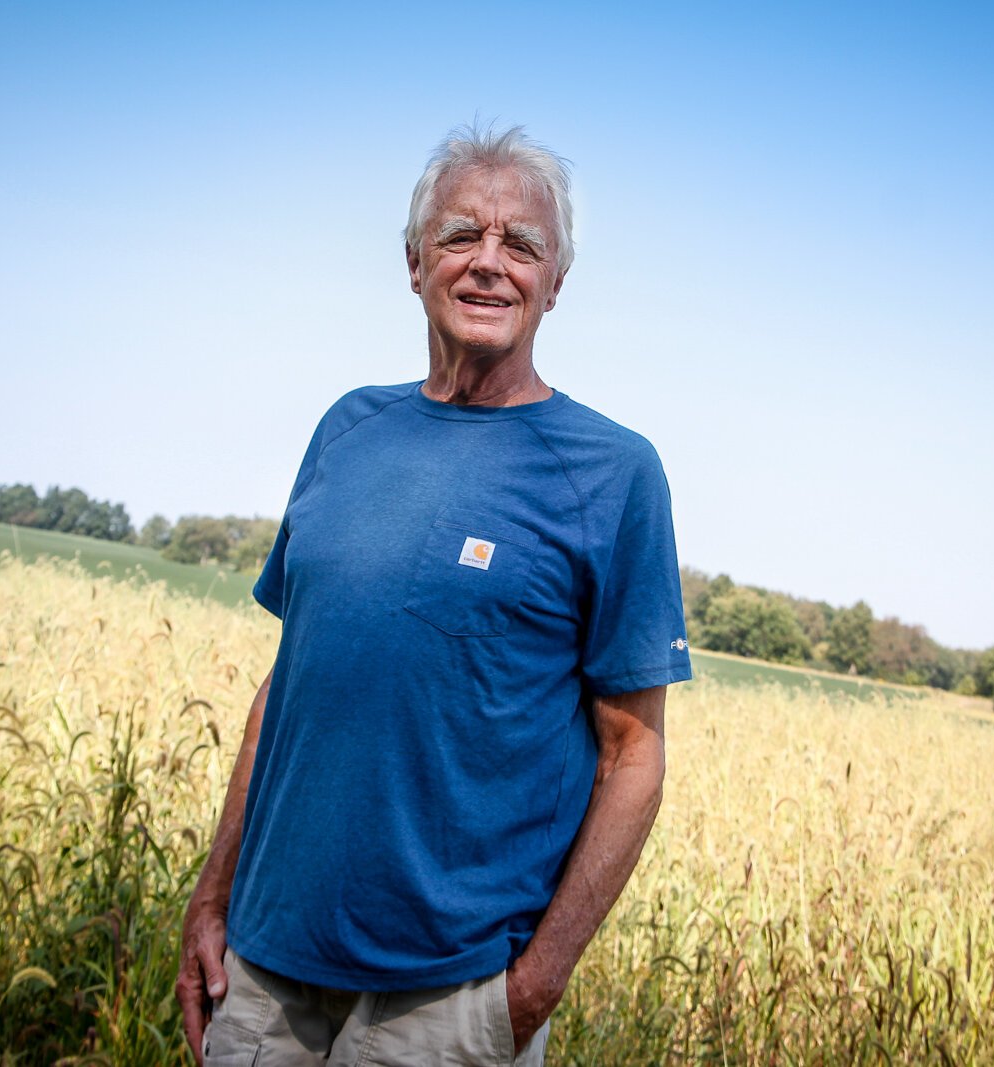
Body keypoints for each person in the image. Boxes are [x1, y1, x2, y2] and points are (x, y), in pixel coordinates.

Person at [175, 123, 693, 1066]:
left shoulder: (613, 474)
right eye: (462, 236)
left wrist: (535, 986)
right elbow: (285, 688)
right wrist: (212, 897)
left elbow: (634, 755)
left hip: (450, 997)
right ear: (414, 264)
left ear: (555, 284)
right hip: (265, 967)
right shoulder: (347, 428)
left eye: (521, 245)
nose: (489, 264)